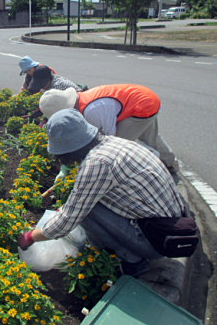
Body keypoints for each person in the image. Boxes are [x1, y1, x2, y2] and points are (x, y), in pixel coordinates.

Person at [17, 109, 186, 276]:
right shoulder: (114, 143)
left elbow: (68, 220)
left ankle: (131, 260)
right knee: (86, 203)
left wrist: (30, 237)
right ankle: (111, 248)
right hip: (172, 227)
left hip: (155, 241)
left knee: (86, 212)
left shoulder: (96, 164)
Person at [39, 84, 179, 177]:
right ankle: (170, 163)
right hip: (145, 98)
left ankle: (145, 171)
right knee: (151, 138)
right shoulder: (82, 100)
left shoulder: (91, 111)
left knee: (121, 148)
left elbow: (106, 141)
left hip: (141, 105)